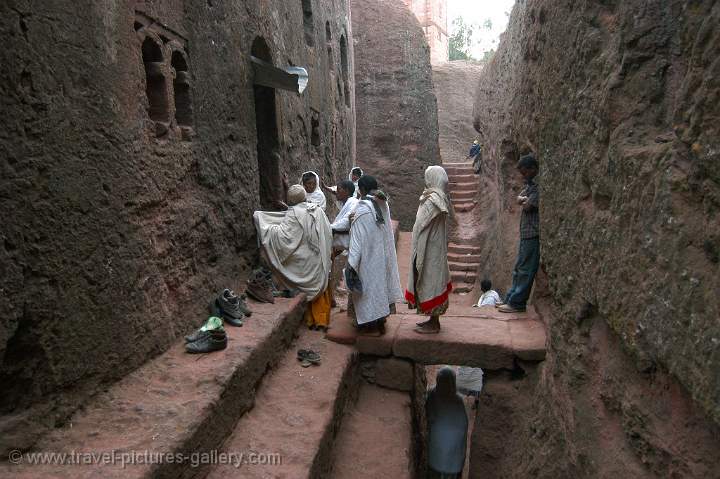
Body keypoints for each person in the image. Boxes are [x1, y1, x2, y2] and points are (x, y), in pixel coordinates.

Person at [253, 184, 333, 331]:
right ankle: (320, 320)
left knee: (308, 287)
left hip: (307, 262)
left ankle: (313, 321)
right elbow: (327, 233)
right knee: (320, 287)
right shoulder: (317, 210)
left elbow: (284, 239)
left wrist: (266, 226)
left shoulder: (293, 213)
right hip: (319, 259)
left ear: (290, 200)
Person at [347, 175, 403, 335]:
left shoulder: (362, 209)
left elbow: (357, 239)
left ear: (362, 189)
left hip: (368, 258)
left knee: (368, 290)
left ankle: (371, 327)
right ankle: (381, 321)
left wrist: (352, 263)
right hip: (381, 254)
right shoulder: (382, 204)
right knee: (380, 287)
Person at [406, 166, 453, 334]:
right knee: (430, 281)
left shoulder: (433, 201)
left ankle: (434, 324)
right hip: (432, 248)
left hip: (429, 250)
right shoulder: (439, 198)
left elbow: (420, 224)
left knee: (429, 281)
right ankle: (432, 320)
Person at [498, 153, 540, 313]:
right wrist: (523, 199)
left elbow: (528, 205)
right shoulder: (530, 186)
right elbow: (520, 198)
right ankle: (511, 298)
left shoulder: (538, 187)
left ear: (533, 169)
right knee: (519, 267)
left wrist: (523, 200)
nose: (523, 176)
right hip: (527, 233)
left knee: (525, 269)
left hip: (533, 234)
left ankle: (517, 302)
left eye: (525, 172)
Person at [426, 367, 468, 479]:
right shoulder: (458, 400)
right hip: (455, 448)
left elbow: (429, 417)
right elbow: (463, 424)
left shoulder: (433, 395)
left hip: (437, 446)